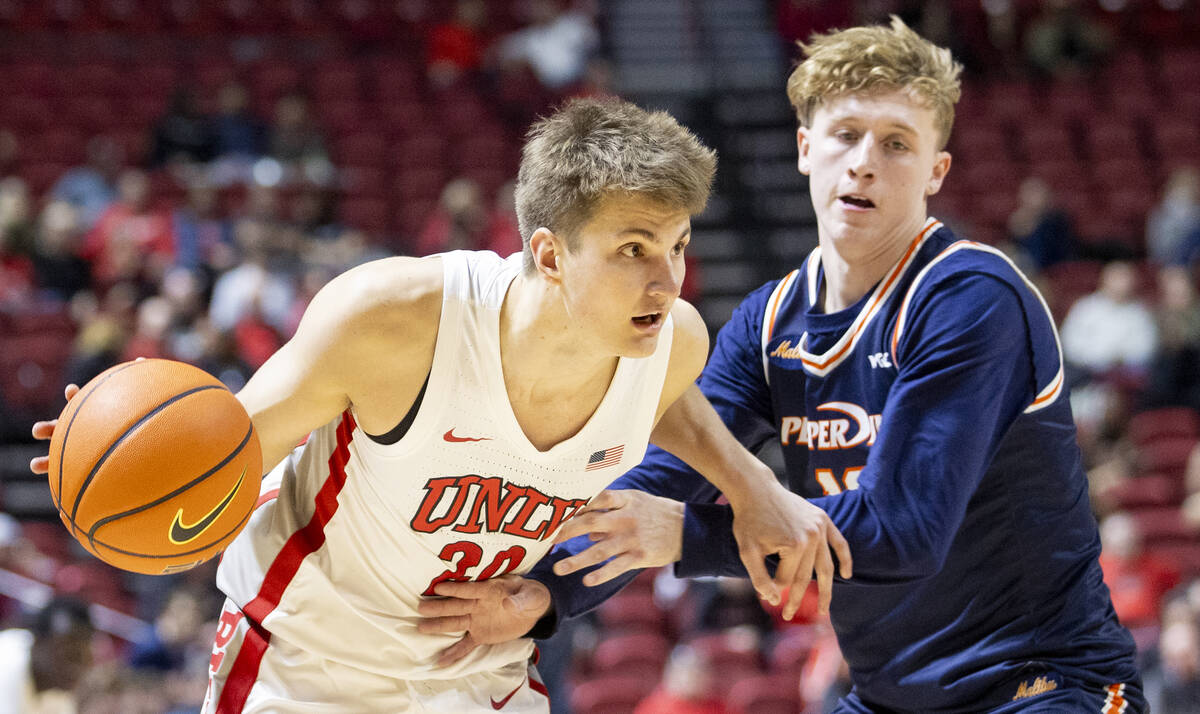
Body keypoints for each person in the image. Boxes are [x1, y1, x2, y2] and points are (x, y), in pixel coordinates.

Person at [30, 98, 848, 713]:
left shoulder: (671, 341)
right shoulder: (396, 320)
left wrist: (754, 487)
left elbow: (664, 401)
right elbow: (228, 451)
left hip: (475, 671)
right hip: (312, 659)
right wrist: (119, 456)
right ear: (549, 254)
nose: (667, 280)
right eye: (634, 249)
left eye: (676, 246)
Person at [422, 18, 1146, 712]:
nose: (864, 160)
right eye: (846, 135)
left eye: (897, 144)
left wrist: (684, 534)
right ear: (805, 148)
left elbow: (905, 528)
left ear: (936, 172)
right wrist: (544, 593)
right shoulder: (770, 321)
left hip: (1044, 686)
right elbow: (661, 473)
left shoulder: (971, 299)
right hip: (892, 695)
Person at [0, 596, 95, 714]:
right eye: (69, 655)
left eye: (81, 659)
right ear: (38, 641)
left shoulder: (57, 692)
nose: (75, 668)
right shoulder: (6, 659)